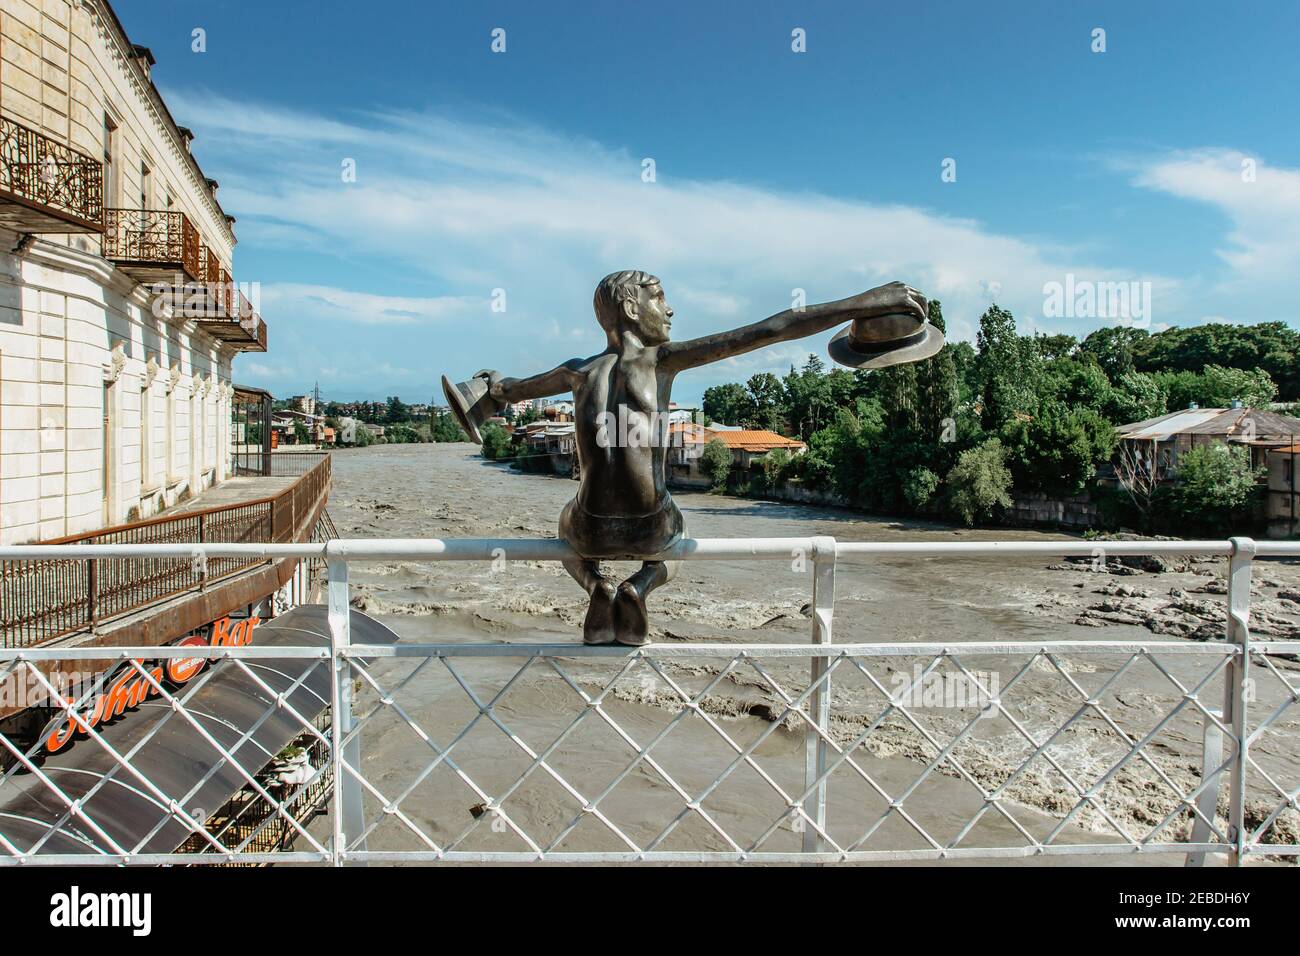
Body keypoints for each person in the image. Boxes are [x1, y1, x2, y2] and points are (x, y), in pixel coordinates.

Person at [459, 271, 932, 645]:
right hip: (652, 527)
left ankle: (594, 584)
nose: (670, 309)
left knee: (564, 527)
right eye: (659, 297)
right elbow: (773, 329)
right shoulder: (661, 360)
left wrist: (489, 385)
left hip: (590, 527)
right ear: (630, 306)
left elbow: (505, 392)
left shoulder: (577, 372)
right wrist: (861, 303)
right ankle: (638, 587)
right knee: (681, 535)